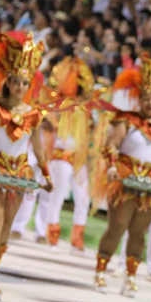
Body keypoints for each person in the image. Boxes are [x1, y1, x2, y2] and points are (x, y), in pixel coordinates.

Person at [92, 52, 151, 297]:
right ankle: (101, 269)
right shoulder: (126, 120)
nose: (150, 103)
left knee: (138, 231)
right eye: (146, 98)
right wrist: (112, 167)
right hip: (123, 179)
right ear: (139, 97)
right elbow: (110, 146)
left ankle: (131, 276)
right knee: (117, 227)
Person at [0, 31, 52, 300]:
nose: (19, 86)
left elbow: (38, 147)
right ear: (8, 80)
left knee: (7, 222)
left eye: (24, 82)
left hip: (20, 171)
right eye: (16, 81)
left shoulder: (34, 114)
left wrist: (47, 173)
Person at [44, 57, 100, 253]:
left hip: (80, 158)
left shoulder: (88, 109)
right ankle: (52, 236)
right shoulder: (64, 104)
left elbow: (90, 133)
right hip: (62, 155)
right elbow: (50, 121)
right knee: (58, 195)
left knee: (83, 199)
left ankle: (77, 240)